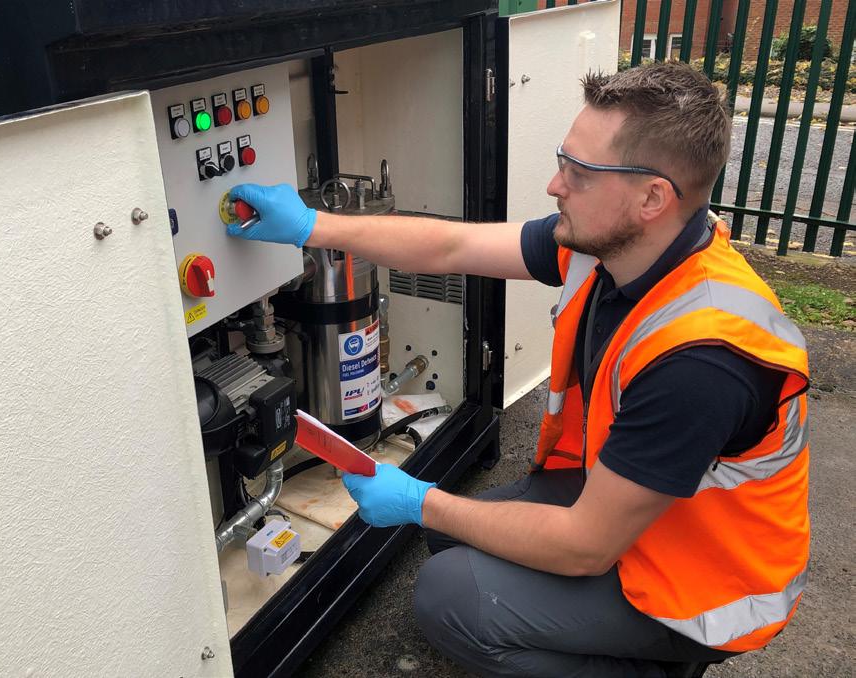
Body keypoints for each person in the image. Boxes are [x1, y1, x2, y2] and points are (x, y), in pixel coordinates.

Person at [226, 61, 810, 678]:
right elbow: (453, 247)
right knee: (455, 538)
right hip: (641, 503)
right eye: (563, 161)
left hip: (708, 579)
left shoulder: (701, 358)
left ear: (652, 198)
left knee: (451, 594)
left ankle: (659, 667)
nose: (556, 185)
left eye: (579, 173)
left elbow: (585, 546)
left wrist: (421, 501)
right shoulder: (624, 247)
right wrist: (313, 226)